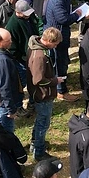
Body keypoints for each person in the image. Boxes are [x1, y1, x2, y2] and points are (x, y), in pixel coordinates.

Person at [27, 27, 62, 160]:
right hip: (42, 95)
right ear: (48, 41)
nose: (55, 46)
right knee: (43, 124)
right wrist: (55, 81)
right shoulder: (40, 56)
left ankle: (34, 143)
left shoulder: (35, 46)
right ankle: (39, 152)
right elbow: (38, 80)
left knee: (39, 121)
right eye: (55, 43)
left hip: (39, 94)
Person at [45, 0, 83, 100]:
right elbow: (63, 19)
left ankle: (60, 85)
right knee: (59, 62)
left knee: (61, 61)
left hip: (60, 34)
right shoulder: (58, 0)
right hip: (57, 36)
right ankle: (61, 91)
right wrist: (77, 15)